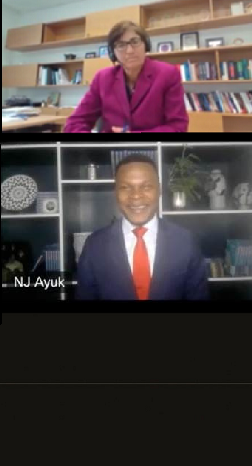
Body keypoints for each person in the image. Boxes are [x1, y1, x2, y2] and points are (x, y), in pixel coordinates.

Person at [76, 154, 209, 300]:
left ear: (159, 190)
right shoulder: (95, 245)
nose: (136, 196)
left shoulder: (186, 242)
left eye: (146, 187)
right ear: (116, 192)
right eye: (125, 187)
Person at [64, 21, 189, 132]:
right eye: (121, 45)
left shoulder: (167, 74)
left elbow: (177, 127)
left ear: (146, 45)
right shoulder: (102, 78)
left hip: (152, 148)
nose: (129, 51)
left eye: (135, 42)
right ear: (113, 53)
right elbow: (74, 123)